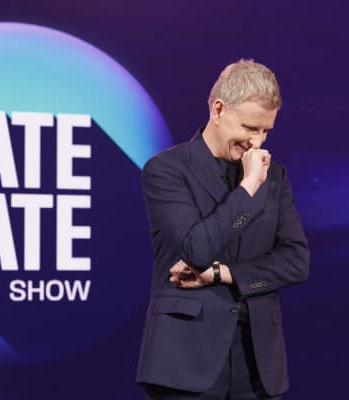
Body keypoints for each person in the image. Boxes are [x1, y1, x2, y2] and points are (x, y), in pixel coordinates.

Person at [136, 59, 310, 399]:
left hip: (258, 364)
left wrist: (225, 274)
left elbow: (297, 261)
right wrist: (248, 188)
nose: (257, 142)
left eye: (266, 131)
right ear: (218, 110)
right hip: (185, 363)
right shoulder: (167, 170)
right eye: (249, 127)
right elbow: (196, 250)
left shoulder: (275, 177)